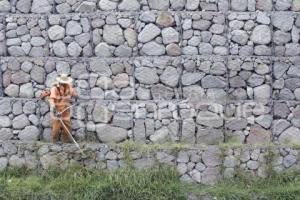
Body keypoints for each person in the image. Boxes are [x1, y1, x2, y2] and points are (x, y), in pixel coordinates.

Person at [47, 74, 77, 143]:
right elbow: (51, 99)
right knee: (56, 128)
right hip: (57, 111)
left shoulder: (68, 87)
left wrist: (76, 96)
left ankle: (66, 142)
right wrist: (53, 107)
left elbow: (74, 93)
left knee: (68, 126)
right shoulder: (55, 88)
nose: (64, 83)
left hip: (65, 110)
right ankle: (54, 142)